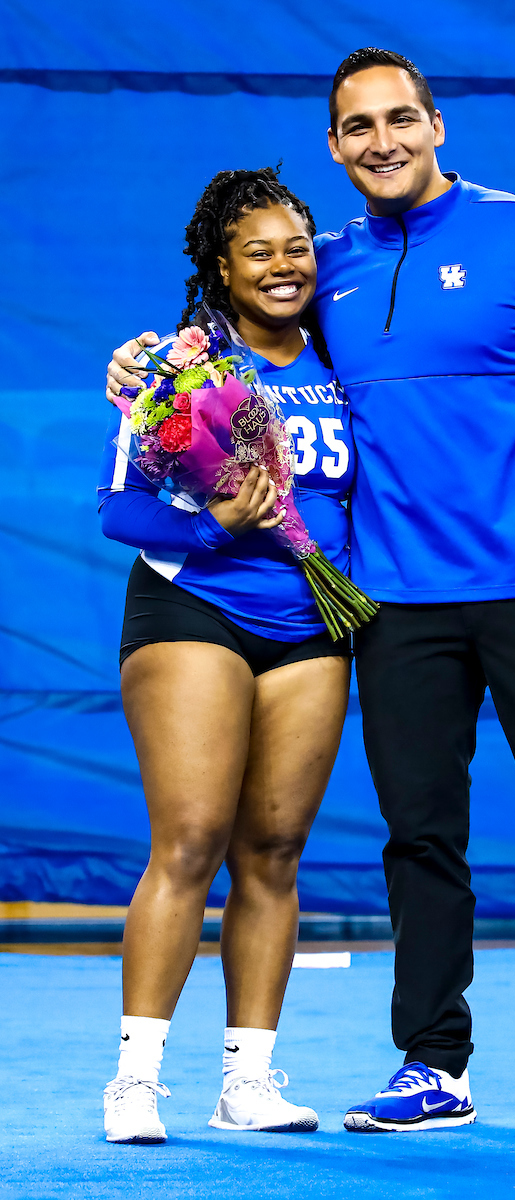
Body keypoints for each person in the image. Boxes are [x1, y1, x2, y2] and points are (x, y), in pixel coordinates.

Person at [106, 49, 515, 1137]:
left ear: (436, 126)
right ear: (334, 146)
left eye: (399, 120)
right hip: (394, 607)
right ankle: (432, 1062)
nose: (380, 141)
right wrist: (143, 361)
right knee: (418, 836)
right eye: (356, 128)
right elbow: (233, 338)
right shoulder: (320, 265)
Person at [98, 168, 354, 1143]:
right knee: (192, 839)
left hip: (312, 627)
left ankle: (245, 1080)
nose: (284, 266)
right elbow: (120, 506)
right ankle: (134, 1079)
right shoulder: (179, 369)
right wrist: (211, 524)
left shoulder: (344, 358)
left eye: (298, 249)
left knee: (274, 852)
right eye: (261, 251)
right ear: (221, 266)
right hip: (193, 607)